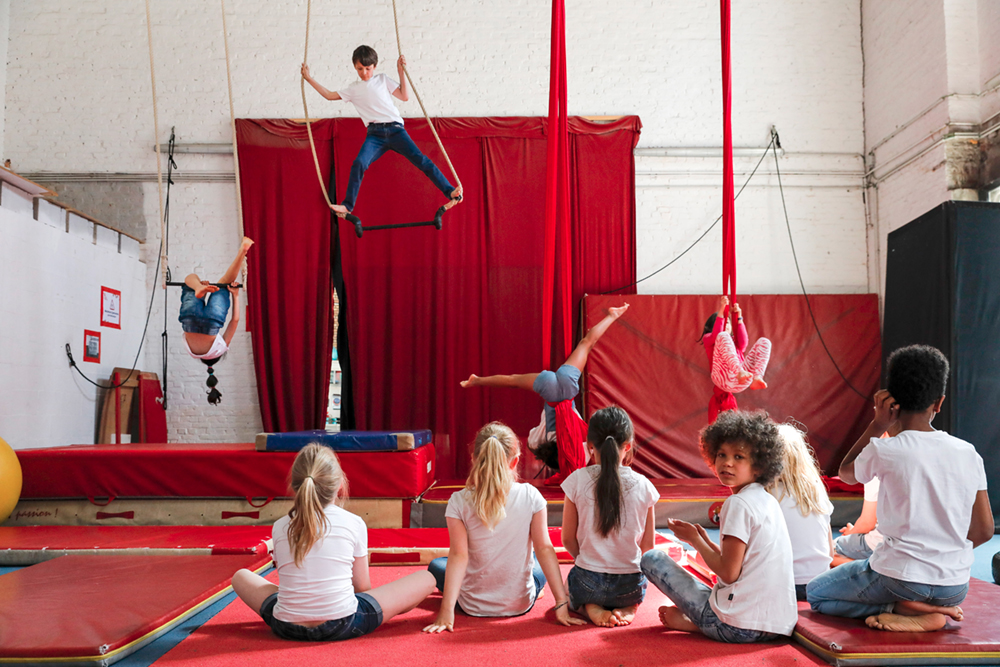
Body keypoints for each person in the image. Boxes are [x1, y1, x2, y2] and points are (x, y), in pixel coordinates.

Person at [807, 345, 994, 633]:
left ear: (891, 400)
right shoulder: (968, 452)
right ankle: (927, 610)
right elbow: (983, 530)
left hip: (900, 579)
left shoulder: (886, 449)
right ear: (940, 402)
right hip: (954, 588)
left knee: (817, 593)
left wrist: (878, 423)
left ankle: (901, 608)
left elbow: (845, 473)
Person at [231, 444, 435, 641]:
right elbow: (362, 588)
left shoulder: (279, 526)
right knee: (427, 578)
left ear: (295, 486)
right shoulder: (353, 523)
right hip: (343, 622)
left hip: (285, 625)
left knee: (240, 576)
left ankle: (295, 606)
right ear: (338, 485)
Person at [641, 410, 797, 643]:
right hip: (777, 625)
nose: (727, 463)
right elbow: (740, 566)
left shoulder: (737, 503)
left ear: (759, 466)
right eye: (722, 454)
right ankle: (700, 621)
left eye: (739, 457)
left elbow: (728, 573)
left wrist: (694, 541)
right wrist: (703, 541)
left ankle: (699, 623)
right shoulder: (767, 500)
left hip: (736, 627)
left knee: (652, 558)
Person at [421, 422, 584, 633]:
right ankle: (536, 589)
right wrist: (561, 603)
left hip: (471, 605)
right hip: (520, 604)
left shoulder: (458, 501)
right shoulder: (530, 495)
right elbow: (544, 549)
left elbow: (459, 556)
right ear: (515, 461)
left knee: (437, 565)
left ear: (473, 459)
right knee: (535, 560)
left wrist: (446, 611)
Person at [460, 303, 629, 485]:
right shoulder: (539, 441)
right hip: (548, 390)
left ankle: (612, 316)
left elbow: (585, 458)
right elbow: (538, 439)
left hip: (567, 388)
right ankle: (477, 380)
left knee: (586, 343)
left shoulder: (582, 447)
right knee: (513, 380)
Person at [301, 46, 462, 218]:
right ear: (355, 67)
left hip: (396, 131)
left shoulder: (382, 80)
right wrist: (309, 78)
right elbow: (329, 95)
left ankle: (449, 191)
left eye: (368, 69)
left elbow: (404, 96)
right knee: (359, 163)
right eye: (360, 69)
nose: (364, 73)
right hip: (375, 135)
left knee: (422, 160)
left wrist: (400, 72)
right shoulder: (353, 89)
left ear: (375, 66)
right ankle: (348, 205)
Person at [561, 406, 659, 627]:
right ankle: (628, 606)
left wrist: (586, 560)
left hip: (588, 582)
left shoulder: (576, 480)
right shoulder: (645, 486)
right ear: (628, 446)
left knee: (567, 588)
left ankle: (590, 607)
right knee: (633, 586)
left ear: (589, 447)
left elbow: (567, 539)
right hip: (629, 586)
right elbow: (648, 547)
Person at [179, 236, 253, 405]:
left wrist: (235, 295)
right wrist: (199, 293)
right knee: (190, 279)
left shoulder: (220, 350)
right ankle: (198, 287)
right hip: (189, 321)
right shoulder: (192, 352)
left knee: (224, 283)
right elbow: (185, 335)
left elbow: (235, 321)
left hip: (212, 322)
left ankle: (242, 251)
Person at [767, 423, 834, 600]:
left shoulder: (767, 495)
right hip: (820, 582)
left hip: (786, 584)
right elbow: (830, 552)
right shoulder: (816, 490)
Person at [700, 295, 770, 423]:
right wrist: (722, 309)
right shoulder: (709, 339)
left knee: (764, 342)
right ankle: (739, 371)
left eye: (728, 323)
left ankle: (757, 377)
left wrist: (739, 317)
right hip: (722, 378)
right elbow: (717, 334)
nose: (726, 325)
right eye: (723, 322)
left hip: (741, 380)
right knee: (722, 335)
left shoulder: (733, 341)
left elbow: (744, 343)